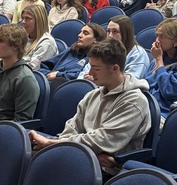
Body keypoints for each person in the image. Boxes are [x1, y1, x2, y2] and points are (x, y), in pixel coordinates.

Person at [30, 38, 151, 174]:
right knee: (30, 157)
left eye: (96, 69)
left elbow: (104, 140)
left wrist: (53, 144)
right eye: (90, 67)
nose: (90, 74)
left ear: (115, 68)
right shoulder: (93, 95)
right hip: (83, 158)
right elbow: (72, 128)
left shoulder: (134, 101)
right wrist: (80, 151)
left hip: (109, 171)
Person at [18, 2, 58, 70]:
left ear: (38, 21)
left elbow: (33, 68)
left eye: (28, 18)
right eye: (23, 18)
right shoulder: (22, 37)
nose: (23, 22)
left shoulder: (47, 42)